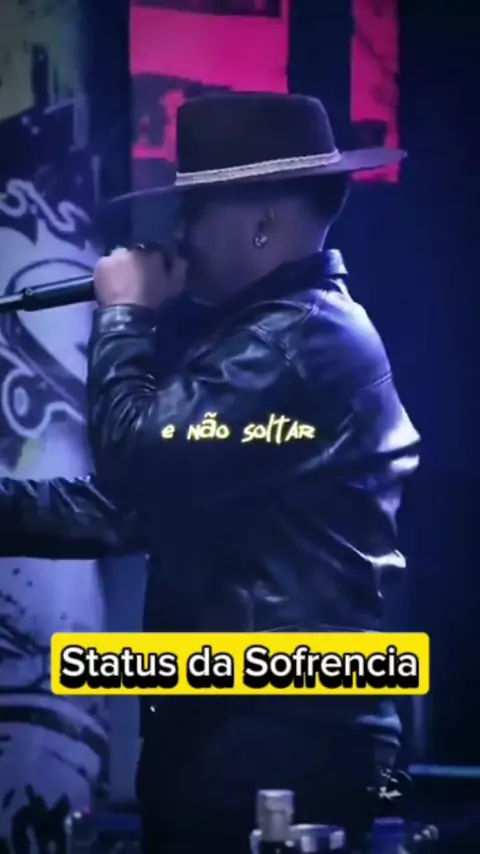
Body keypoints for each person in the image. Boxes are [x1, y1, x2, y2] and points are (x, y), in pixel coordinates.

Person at [0, 92, 420, 853]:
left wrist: (124, 315)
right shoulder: (270, 338)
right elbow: (128, 507)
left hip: (278, 735)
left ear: (262, 223)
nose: (177, 234)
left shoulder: (296, 341)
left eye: (193, 211)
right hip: (238, 728)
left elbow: (135, 460)